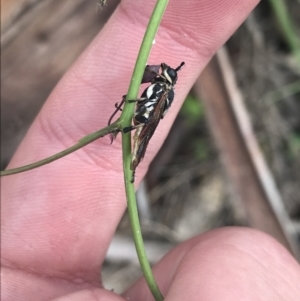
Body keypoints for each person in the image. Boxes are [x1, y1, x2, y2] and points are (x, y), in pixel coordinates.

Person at [2, 1, 300, 300]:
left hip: (142, 121)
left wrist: (131, 115)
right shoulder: (162, 86)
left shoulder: (164, 93)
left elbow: (151, 107)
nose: (161, 72)